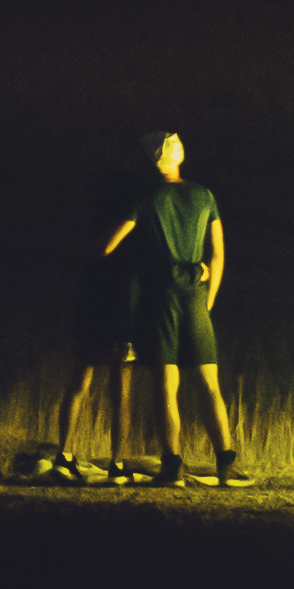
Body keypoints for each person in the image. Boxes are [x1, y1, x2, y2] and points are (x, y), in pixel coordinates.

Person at [98, 130, 243, 487]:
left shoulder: (145, 197)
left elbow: (107, 246)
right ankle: (227, 464)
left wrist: (139, 261)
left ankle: (172, 467)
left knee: (167, 385)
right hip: (195, 294)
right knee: (210, 384)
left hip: (160, 297)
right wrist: (208, 297)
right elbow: (219, 254)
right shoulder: (203, 194)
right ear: (171, 155)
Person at [41, 149, 147, 481]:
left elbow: (93, 254)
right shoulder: (131, 219)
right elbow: (109, 251)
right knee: (120, 390)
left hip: (91, 306)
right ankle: (116, 463)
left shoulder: (93, 222)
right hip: (119, 307)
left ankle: (65, 453)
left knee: (80, 381)